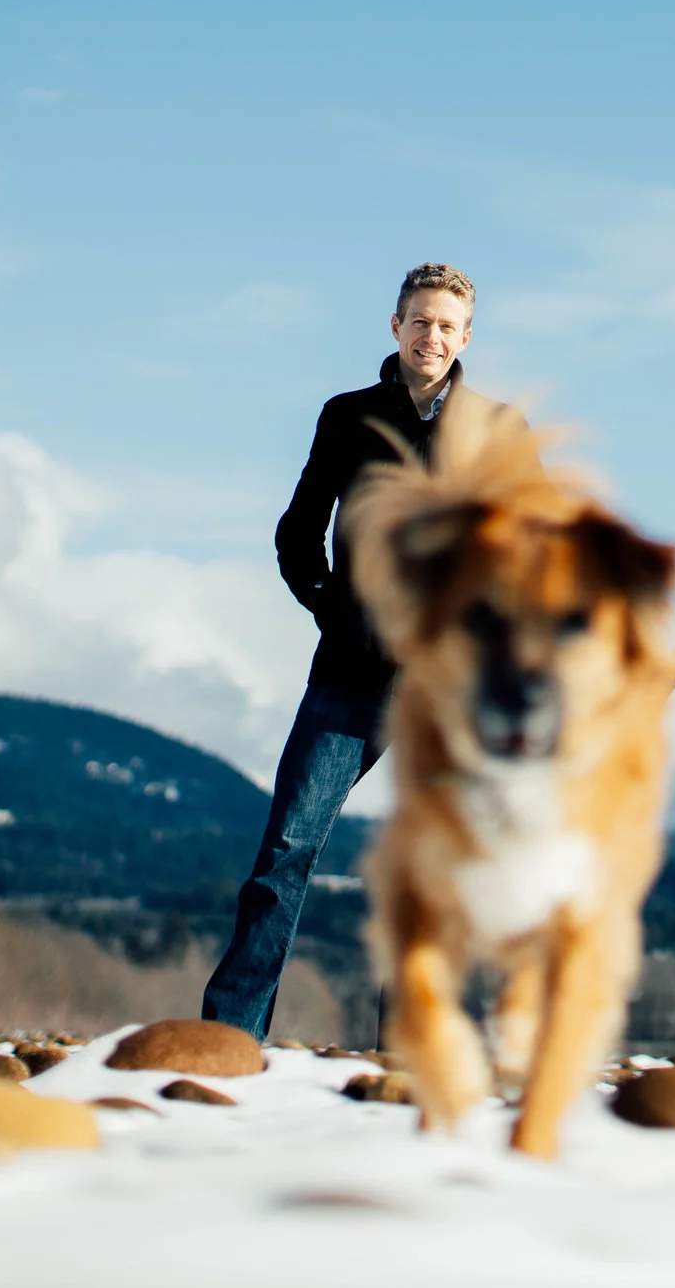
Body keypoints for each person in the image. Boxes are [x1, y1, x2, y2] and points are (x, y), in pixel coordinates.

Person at [202, 262, 528, 1039]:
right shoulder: (348, 417)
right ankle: (230, 1036)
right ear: (395, 326)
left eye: (448, 325)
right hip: (349, 675)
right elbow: (298, 529)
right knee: (285, 852)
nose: (432, 336)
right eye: (420, 321)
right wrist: (330, 607)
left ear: (467, 337)